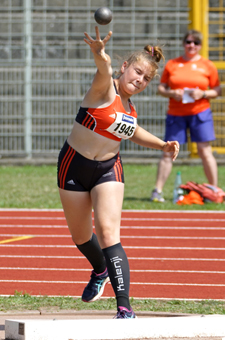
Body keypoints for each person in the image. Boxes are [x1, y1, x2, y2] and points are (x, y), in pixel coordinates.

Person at [57, 26, 179, 319]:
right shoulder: (104, 88)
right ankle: (100, 270)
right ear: (124, 67)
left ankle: (124, 307)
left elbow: (133, 131)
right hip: (74, 166)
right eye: (137, 72)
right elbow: (103, 67)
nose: (140, 80)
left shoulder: (129, 107)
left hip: (108, 169)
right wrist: (100, 53)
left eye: (146, 78)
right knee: (81, 236)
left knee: (109, 233)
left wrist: (163, 145)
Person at [150, 29, 221, 203]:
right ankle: (157, 191)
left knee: (205, 151)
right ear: (183, 44)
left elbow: (217, 90)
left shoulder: (208, 65)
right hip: (176, 113)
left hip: (200, 113)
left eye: (195, 43)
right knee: (168, 151)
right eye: (188, 42)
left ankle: (214, 190)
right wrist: (172, 93)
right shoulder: (173, 64)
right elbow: (161, 88)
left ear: (200, 46)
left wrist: (203, 94)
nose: (191, 45)